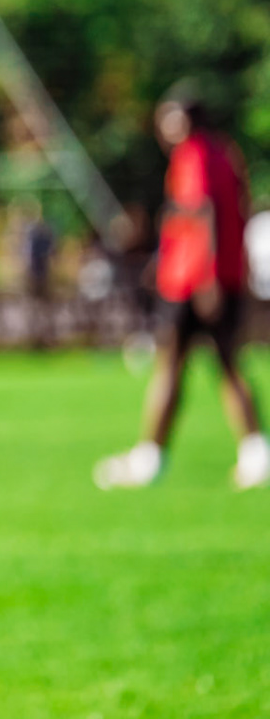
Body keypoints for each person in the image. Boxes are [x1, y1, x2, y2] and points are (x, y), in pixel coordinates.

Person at [96, 87, 267, 490]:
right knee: (227, 364)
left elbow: (202, 210)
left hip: (194, 281)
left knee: (172, 364)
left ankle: (150, 457)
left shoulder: (194, 154)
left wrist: (205, 275)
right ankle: (256, 452)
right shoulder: (227, 152)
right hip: (218, 275)